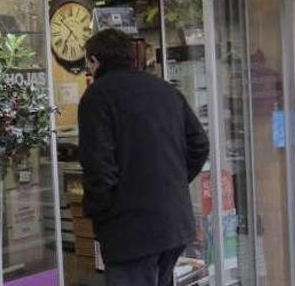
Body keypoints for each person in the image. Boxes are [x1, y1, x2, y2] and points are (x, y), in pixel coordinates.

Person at [78, 29, 210, 286]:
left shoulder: (97, 97)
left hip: (130, 228)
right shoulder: (164, 89)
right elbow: (199, 144)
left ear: (95, 61)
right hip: (173, 222)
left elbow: (98, 166)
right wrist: (173, 182)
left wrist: (99, 212)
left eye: (88, 63)